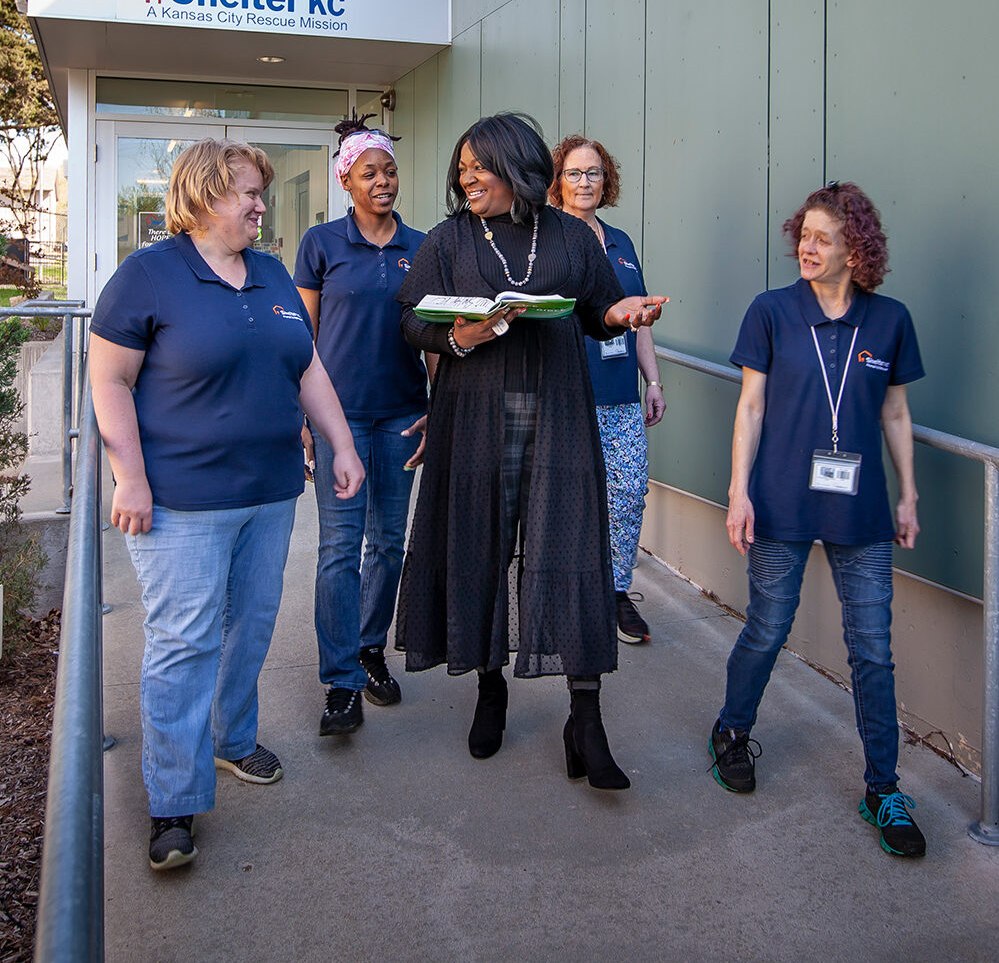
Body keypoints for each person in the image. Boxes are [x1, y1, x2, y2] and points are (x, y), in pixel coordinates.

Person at [89, 138, 364, 871]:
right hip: (179, 501)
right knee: (184, 642)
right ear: (205, 194)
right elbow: (109, 381)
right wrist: (130, 478)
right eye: (246, 192)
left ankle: (234, 741)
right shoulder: (147, 277)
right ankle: (173, 801)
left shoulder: (271, 273)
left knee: (250, 627)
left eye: (259, 194)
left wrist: (341, 443)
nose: (259, 206)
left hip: (269, 494)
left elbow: (306, 366)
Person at [395, 113, 665, 790]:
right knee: (481, 547)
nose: (465, 177)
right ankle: (490, 689)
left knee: (571, 553)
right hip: (474, 421)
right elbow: (408, 319)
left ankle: (586, 717)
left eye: (477, 166)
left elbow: (599, 307)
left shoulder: (571, 234)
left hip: (559, 418)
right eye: (461, 169)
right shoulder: (449, 238)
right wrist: (461, 337)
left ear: (513, 166)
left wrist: (624, 314)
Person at [710, 181, 926, 857]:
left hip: (859, 512)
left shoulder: (889, 319)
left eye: (821, 238)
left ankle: (881, 788)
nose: (805, 246)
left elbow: (893, 412)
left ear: (854, 249)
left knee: (871, 650)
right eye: (801, 234)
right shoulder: (771, 311)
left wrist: (907, 494)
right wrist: (738, 490)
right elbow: (749, 407)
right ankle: (731, 730)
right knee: (768, 628)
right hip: (778, 500)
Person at [295, 114, 436, 736]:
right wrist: (305, 418)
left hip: (404, 415)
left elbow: (437, 334)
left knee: (388, 543)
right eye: (368, 173)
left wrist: (440, 405)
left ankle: (370, 647)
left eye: (389, 170)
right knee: (337, 549)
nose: (383, 181)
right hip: (340, 422)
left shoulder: (424, 247)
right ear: (345, 182)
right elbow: (303, 338)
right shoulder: (321, 244)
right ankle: (340, 682)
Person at [549, 135, 665, 644]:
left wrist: (653, 380)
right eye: (574, 173)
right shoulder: (546, 238)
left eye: (593, 172)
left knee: (627, 493)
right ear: (557, 181)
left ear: (606, 178)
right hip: (561, 394)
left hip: (619, 393)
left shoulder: (621, 242)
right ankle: (560, 594)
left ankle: (615, 591)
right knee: (559, 500)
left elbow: (638, 318)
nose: (584, 182)